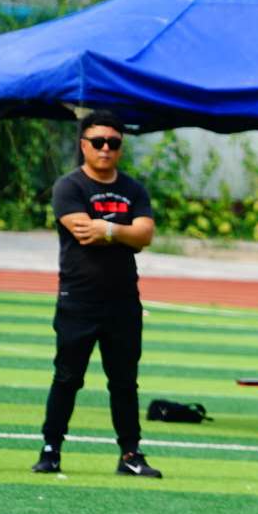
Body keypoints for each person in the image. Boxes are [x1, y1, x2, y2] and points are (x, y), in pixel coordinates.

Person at [33, 111, 163, 479]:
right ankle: (51, 449)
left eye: (113, 142)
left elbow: (145, 235)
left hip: (123, 302)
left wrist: (106, 228)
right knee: (67, 377)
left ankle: (130, 454)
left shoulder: (134, 189)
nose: (105, 148)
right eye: (98, 142)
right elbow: (82, 231)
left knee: (124, 382)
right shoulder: (69, 187)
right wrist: (122, 230)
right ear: (84, 145)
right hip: (78, 299)